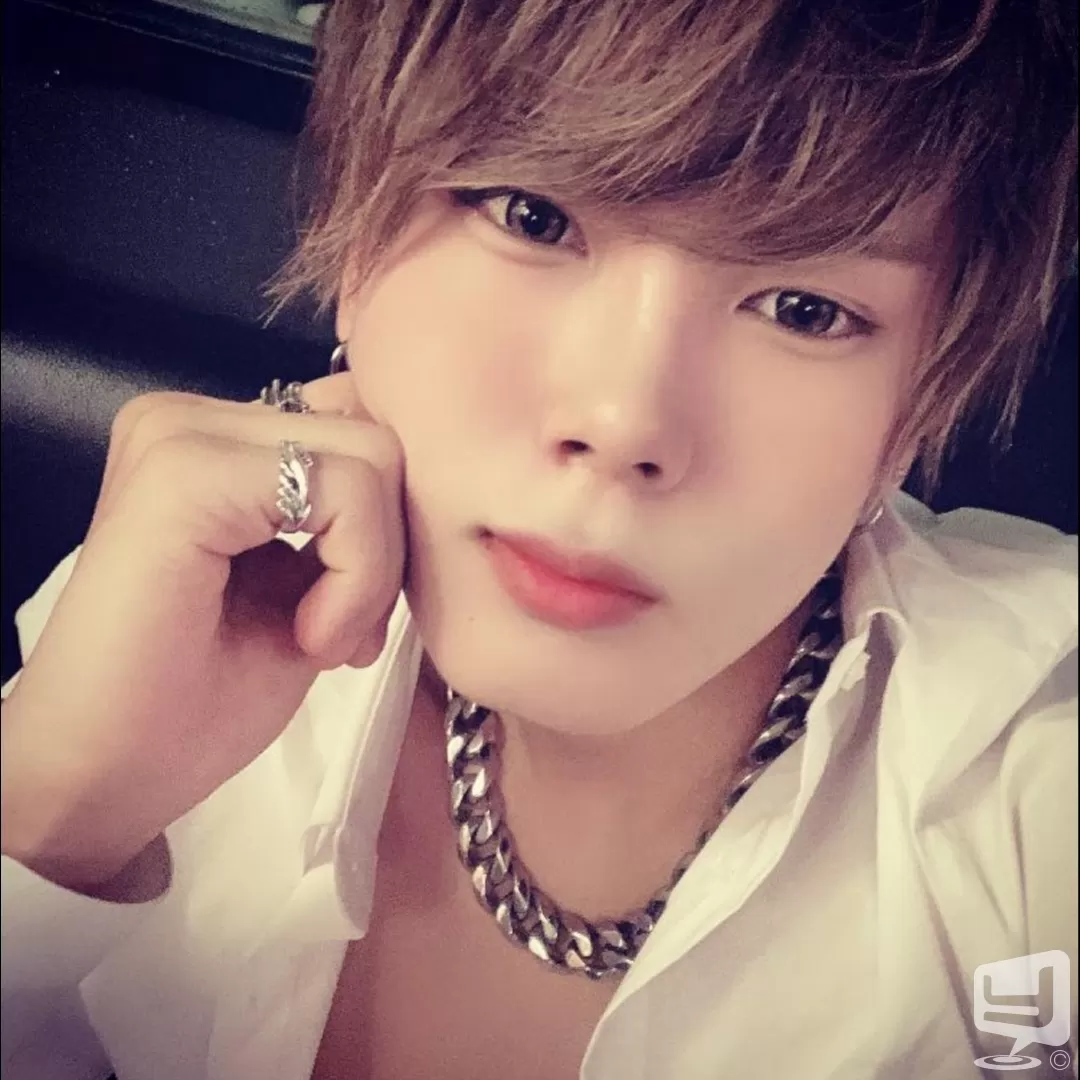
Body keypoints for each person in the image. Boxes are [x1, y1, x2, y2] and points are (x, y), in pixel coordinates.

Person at [2, 0, 1077, 1077]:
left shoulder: (1024, 798)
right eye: (533, 217)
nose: (622, 424)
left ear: (916, 408)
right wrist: (51, 825)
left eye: (803, 309)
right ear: (358, 237)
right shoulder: (170, 610)